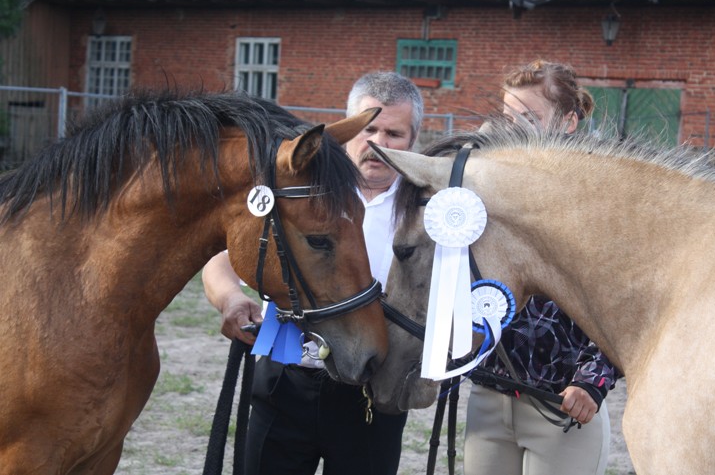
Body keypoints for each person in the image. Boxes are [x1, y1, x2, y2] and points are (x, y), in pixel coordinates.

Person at [202, 71, 424, 475]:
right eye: (369, 128)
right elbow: (220, 257)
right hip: (284, 379)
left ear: (413, 141)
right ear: (347, 127)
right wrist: (230, 298)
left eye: (394, 133)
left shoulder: (427, 214)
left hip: (368, 387)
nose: (378, 144)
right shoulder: (297, 189)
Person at [463, 60, 622, 475]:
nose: (512, 128)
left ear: (568, 122)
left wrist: (594, 381)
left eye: (529, 118)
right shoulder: (483, 193)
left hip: (564, 409)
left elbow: (622, 303)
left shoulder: (600, 201)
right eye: (507, 116)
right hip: (488, 399)